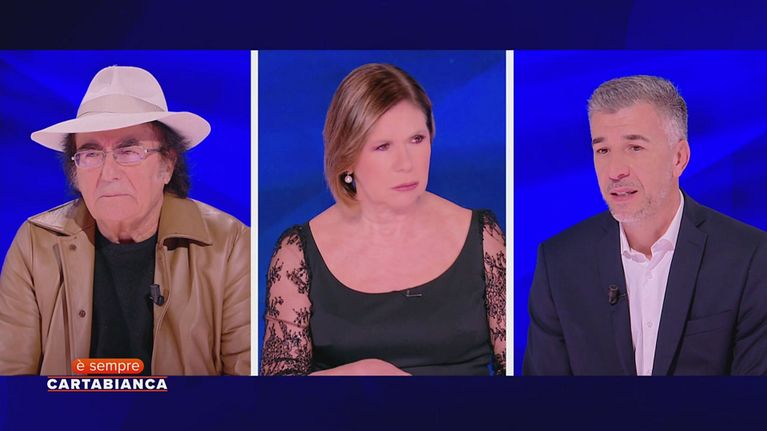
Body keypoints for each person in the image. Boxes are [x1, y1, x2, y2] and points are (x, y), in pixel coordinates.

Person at [0, 65, 250, 375]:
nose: (108, 173)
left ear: (167, 165)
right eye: (91, 154)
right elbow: (10, 380)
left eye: (129, 151)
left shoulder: (231, 244)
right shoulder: (35, 242)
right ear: (75, 172)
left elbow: (246, 386)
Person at [260, 63, 506, 376]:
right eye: (382, 146)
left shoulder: (484, 237)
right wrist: (361, 374)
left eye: (416, 139)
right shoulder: (297, 253)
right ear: (347, 157)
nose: (406, 163)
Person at [523, 75, 767, 376]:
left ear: (679, 158)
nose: (615, 171)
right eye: (603, 150)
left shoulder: (749, 256)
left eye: (635, 148)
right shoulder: (559, 262)